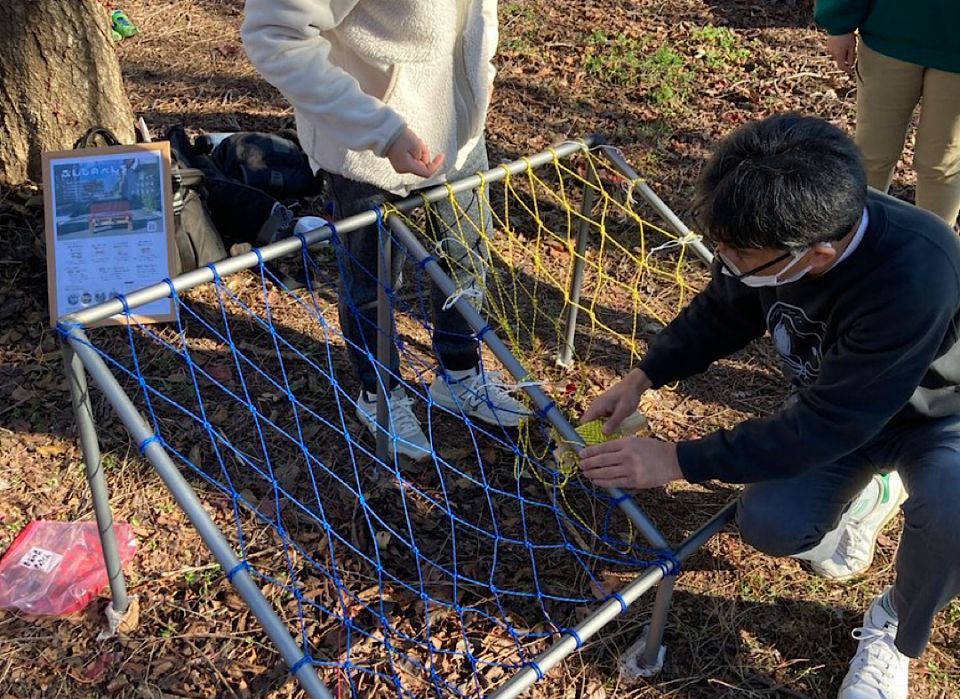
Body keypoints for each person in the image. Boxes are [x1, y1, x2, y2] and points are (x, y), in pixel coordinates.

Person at [579, 114, 960, 699]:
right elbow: (723, 309)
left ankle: (894, 628)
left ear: (820, 254)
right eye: (721, 248)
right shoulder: (768, 227)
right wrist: (645, 374)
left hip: (937, 418)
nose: (725, 261)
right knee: (771, 524)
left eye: (738, 254)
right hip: (838, 405)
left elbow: (827, 425)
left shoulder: (916, 269)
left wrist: (678, 459)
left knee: (952, 508)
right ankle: (872, 495)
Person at [241, 1, 525, 462]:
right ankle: (378, 392)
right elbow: (274, 34)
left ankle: (460, 372)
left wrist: (481, 71)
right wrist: (380, 130)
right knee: (372, 277)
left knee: (466, 255)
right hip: (370, 144)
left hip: (459, 126)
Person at [815, 0, 960, 228]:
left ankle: (934, 255)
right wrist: (838, 21)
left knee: (943, 165)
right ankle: (858, 241)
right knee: (873, 154)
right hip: (889, 33)